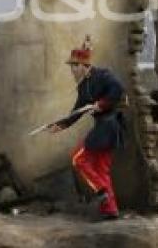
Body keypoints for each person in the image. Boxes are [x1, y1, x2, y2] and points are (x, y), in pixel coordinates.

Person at [47, 36, 125, 219]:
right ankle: (110, 209)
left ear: (84, 66)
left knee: (77, 159)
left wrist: (102, 104)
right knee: (101, 169)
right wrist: (61, 125)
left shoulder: (103, 75)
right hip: (104, 127)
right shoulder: (83, 88)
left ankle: (101, 191)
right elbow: (78, 111)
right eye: (71, 66)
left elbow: (118, 88)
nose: (72, 70)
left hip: (110, 125)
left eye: (75, 66)